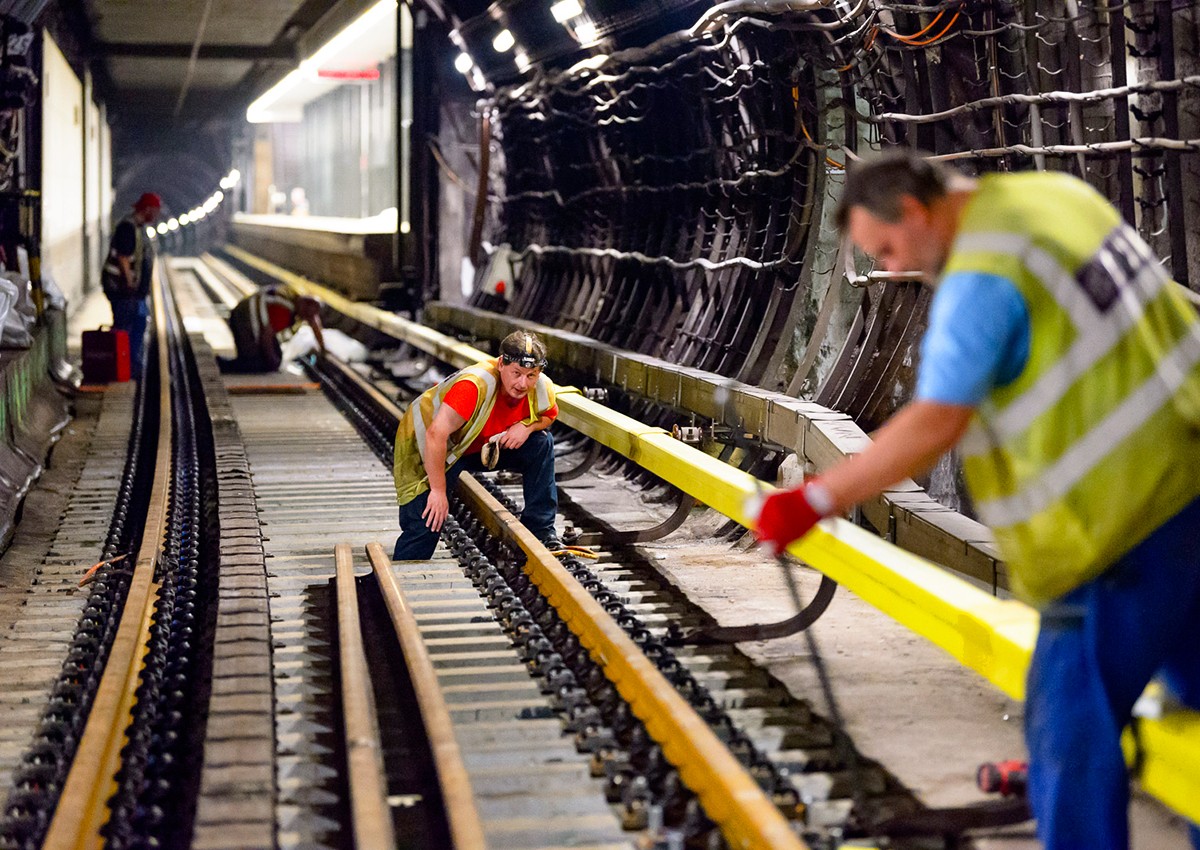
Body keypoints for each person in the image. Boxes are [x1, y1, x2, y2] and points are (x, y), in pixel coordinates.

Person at [753, 149, 1200, 850]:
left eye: (888, 248)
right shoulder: (1058, 198)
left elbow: (936, 421)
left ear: (915, 210)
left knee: (1069, 738)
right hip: (1189, 488)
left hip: (1116, 530)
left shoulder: (980, 277)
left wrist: (813, 501)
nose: (895, 266)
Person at [392, 331, 560, 560]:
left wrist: (527, 427)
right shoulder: (473, 386)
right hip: (437, 449)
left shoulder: (541, 386)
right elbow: (435, 435)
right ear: (501, 364)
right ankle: (404, 567)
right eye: (517, 373)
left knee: (541, 442)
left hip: (480, 446)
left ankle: (541, 531)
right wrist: (438, 491)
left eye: (531, 375)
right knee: (427, 520)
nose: (523, 384)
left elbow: (549, 415)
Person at [101, 192, 161, 379]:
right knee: (125, 328)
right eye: (155, 211)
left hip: (133, 292)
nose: (157, 215)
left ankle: (131, 366)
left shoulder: (139, 228)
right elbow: (123, 258)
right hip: (122, 290)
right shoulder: (127, 228)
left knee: (138, 324)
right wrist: (129, 284)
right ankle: (124, 368)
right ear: (147, 209)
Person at [221, 283, 325, 373]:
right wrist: (272, 362)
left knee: (274, 357)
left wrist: (323, 349)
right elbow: (266, 336)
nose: (308, 318)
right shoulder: (284, 310)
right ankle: (222, 364)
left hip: (249, 316)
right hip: (243, 319)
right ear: (303, 305)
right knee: (255, 363)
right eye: (307, 314)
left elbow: (314, 323)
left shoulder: (298, 302)